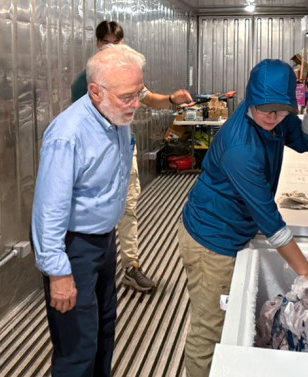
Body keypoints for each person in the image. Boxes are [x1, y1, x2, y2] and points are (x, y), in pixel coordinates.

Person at [178, 59, 308, 377]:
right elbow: (273, 226)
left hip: (235, 229)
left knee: (223, 320)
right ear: (250, 98)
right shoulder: (240, 147)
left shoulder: (277, 117)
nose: (272, 118)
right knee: (209, 329)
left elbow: (305, 143)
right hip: (211, 240)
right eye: (264, 109)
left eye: (280, 110)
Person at [31, 44, 145, 376]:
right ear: (95, 92)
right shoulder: (68, 135)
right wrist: (59, 273)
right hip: (73, 246)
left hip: (103, 240)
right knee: (77, 345)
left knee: (104, 329)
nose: (135, 104)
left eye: (139, 93)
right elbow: (48, 210)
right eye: (127, 96)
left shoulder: (117, 115)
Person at [72, 20, 193, 292]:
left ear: (122, 44)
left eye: (116, 43)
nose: (112, 48)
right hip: (95, 155)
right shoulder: (85, 81)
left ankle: (131, 266)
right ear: (97, 44)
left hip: (123, 150)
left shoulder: (127, 76)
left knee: (128, 208)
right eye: (106, 43)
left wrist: (172, 100)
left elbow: (149, 98)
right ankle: (87, 269)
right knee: (92, 210)